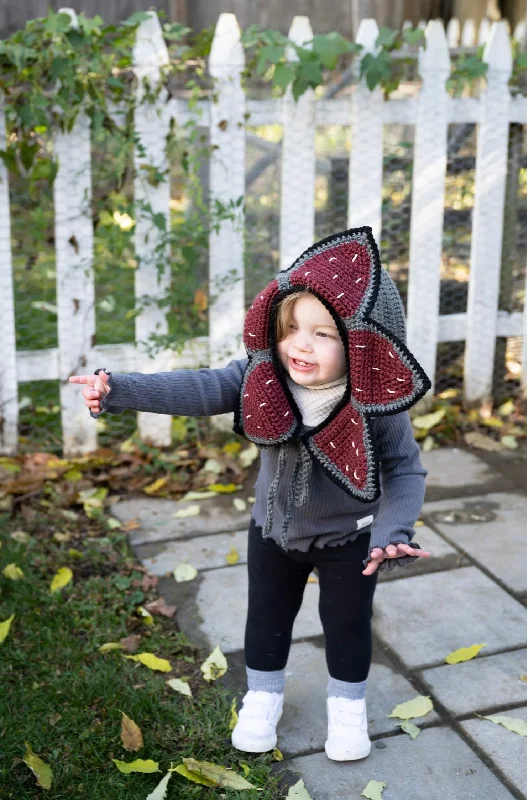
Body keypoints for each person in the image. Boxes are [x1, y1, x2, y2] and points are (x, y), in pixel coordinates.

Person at [70, 226, 431, 762]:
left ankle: (348, 707)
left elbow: (406, 471)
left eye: (323, 335)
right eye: (291, 329)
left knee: (348, 623)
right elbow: (202, 387)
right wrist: (121, 388)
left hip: (349, 540)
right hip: (273, 531)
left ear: (362, 342)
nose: (300, 345)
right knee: (266, 614)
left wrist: (391, 531)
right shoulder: (265, 375)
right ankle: (263, 695)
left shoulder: (374, 404)